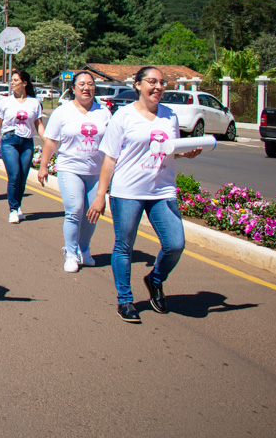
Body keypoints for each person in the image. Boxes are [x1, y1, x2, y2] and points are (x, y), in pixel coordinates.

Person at [86, 67, 202, 322]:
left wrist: (186, 152)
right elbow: (110, 158)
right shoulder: (123, 116)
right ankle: (125, 300)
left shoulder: (169, 116)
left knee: (175, 244)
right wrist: (100, 195)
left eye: (162, 82)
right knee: (124, 246)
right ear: (138, 85)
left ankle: (155, 279)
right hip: (128, 191)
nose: (158, 86)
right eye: (152, 81)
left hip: (162, 190)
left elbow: (169, 149)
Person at [38, 71, 111, 272]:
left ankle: (84, 249)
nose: (86, 88)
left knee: (91, 214)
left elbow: (113, 144)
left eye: (90, 84)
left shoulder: (103, 112)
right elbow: (51, 141)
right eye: (82, 84)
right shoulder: (62, 112)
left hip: (96, 171)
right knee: (75, 210)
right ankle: (70, 253)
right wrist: (44, 166)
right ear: (73, 88)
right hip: (70, 168)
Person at [0, 70, 45, 224]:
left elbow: (38, 125)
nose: (12, 83)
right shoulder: (5, 101)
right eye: (11, 80)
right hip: (9, 140)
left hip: (27, 142)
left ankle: (18, 206)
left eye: (15, 80)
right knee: (14, 175)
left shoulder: (34, 103)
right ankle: (13, 209)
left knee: (22, 177)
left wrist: (47, 142)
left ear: (24, 83)